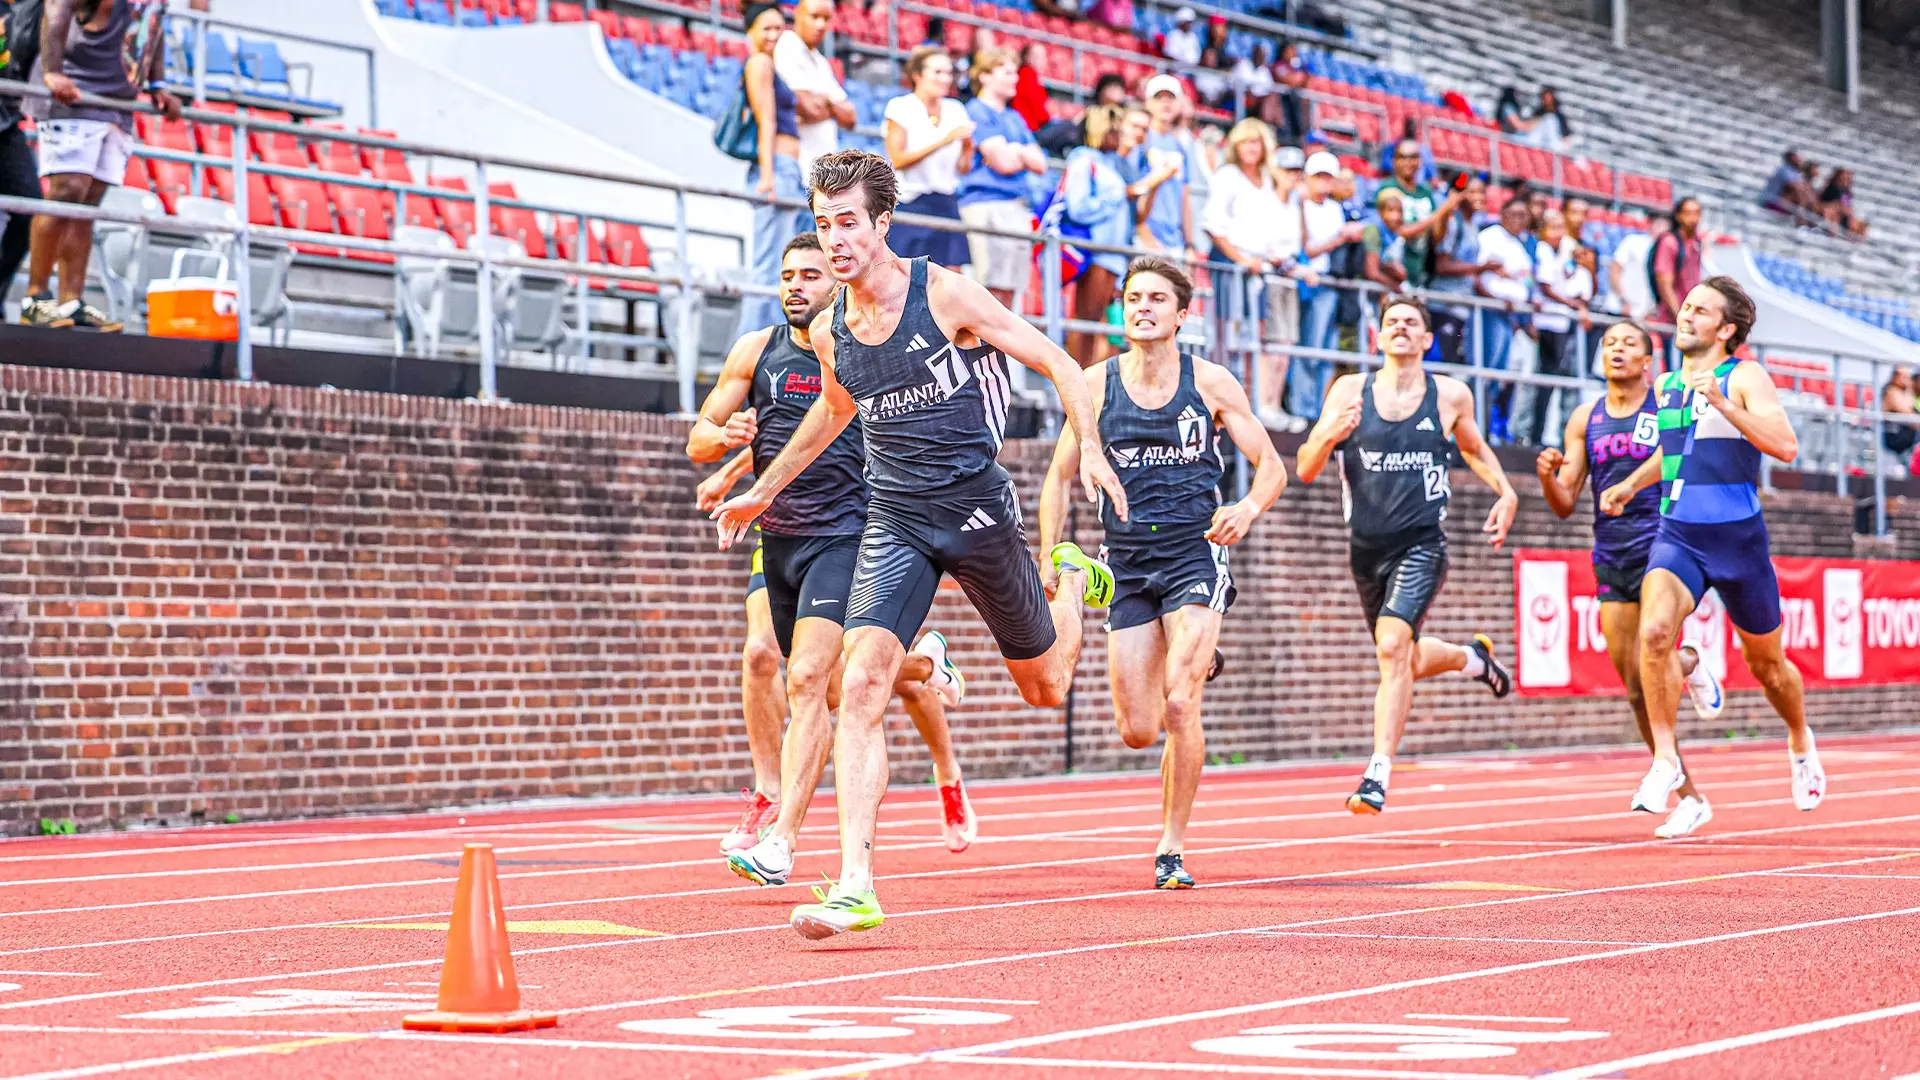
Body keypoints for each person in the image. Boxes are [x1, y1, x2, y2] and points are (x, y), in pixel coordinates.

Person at [712, 150, 1129, 939]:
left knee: (1047, 687)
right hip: (895, 520)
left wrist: (1094, 450)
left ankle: (1070, 579)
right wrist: (763, 489)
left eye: (847, 224)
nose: (833, 241)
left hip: (976, 514)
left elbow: (1062, 363)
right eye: (822, 225)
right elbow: (833, 413)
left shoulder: (944, 294)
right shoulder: (833, 325)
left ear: (881, 224)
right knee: (860, 684)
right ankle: (856, 884)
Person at [693, 235, 977, 886]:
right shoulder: (755, 351)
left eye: (810, 275)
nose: (795, 285)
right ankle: (924, 660)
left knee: (810, 680)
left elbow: (845, 424)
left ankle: (783, 838)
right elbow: (700, 437)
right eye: (787, 274)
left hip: (852, 529)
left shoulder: (858, 350)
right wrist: (727, 444)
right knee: (770, 659)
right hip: (779, 532)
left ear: (838, 284)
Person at [1038, 257, 1287, 888]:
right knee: (1137, 729)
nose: (1141, 307)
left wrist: (1247, 508)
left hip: (1194, 552)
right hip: (1126, 564)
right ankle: (1197, 652)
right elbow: (1057, 477)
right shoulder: (1094, 385)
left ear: (1181, 315)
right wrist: (1049, 550)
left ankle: (1170, 848)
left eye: (1155, 298)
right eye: (1132, 298)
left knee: (1180, 704)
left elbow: (1271, 467)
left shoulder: (1210, 384)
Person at [1598, 277, 1826, 818]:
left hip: (1737, 538)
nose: (1686, 314)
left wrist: (1724, 402)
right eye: (1686, 305)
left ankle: (1799, 743)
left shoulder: (1744, 376)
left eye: (1700, 310)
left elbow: (1785, 446)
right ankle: (1665, 761)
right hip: (1678, 533)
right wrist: (1633, 483)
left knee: (1768, 667)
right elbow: (1677, 451)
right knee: (1653, 633)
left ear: (1725, 330)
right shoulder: (1668, 385)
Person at [1296, 296, 1518, 814]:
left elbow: (1474, 448)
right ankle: (1470, 658)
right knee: (1402, 654)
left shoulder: (1450, 396)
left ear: (1425, 340)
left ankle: (1376, 773)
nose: (1400, 327)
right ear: (1378, 337)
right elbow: (1306, 467)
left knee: (1393, 647)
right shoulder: (1349, 391)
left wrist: (1505, 491)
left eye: (1411, 322)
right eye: (1391, 321)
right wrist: (1329, 434)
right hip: (1365, 548)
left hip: (1422, 544)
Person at [1536, 320, 1726, 838]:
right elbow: (1564, 503)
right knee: (1638, 688)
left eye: (1628, 344)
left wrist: (1630, 484)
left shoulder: (1663, 403)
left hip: (1666, 544)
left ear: (1648, 361)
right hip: (1611, 553)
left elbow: (1682, 457)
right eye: (1609, 344)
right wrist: (1546, 475)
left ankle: (1677, 779)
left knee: (1653, 651)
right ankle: (1691, 792)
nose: (1616, 350)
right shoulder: (1585, 417)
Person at [20, 0, 178, 331]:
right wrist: (52, 71)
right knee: (67, 192)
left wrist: (158, 84)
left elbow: (152, 28)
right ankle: (35, 298)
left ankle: (71, 301)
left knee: (89, 203)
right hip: (74, 95)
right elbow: (56, 8)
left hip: (117, 104)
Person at [1204, 120, 1303, 431]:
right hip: (1233, 263)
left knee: (1256, 338)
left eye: (1256, 142)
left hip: (1259, 267)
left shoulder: (1266, 180)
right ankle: (1219, 398)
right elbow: (1214, 224)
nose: (1251, 148)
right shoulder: (1228, 176)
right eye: (1245, 142)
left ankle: (1252, 402)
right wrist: (1242, 259)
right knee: (1227, 333)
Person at [739, 2, 808, 331]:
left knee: (783, 264)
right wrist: (767, 176)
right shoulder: (761, 62)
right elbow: (766, 122)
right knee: (769, 267)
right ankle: (750, 349)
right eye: (766, 28)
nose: (773, 35)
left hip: (786, 169)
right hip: (776, 170)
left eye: (779, 28)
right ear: (750, 30)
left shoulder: (770, 64)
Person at [959, 48, 1045, 310]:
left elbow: (1040, 163)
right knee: (989, 289)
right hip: (986, 205)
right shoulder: (976, 110)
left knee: (1011, 292)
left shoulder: (1015, 117)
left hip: (1015, 206)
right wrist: (1020, 153)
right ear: (984, 76)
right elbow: (1004, 163)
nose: (1014, 79)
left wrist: (1012, 150)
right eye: (1007, 72)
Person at [1063, 103, 1140, 367]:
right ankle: (1076, 378)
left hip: (1112, 254)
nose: (1117, 137)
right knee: (1085, 321)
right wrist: (1115, 198)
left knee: (1097, 323)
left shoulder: (1111, 163)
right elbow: (1078, 206)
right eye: (1112, 131)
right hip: (1096, 252)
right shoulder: (1083, 159)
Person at [884, 45, 974, 268]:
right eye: (937, 72)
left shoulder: (956, 109)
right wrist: (945, 139)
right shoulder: (900, 107)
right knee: (907, 277)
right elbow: (899, 159)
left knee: (951, 278)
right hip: (912, 201)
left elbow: (963, 168)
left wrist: (968, 148)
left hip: (946, 201)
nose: (945, 79)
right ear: (918, 75)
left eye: (948, 73)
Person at [1293, 149, 1365, 419]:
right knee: (1309, 348)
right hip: (1312, 282)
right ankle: (1302, 406)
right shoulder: (1301, 205)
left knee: (1325, 349)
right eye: (1318, 177)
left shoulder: (1335, 208)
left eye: (1328, 177)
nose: (1324, 182)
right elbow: (1306, 249)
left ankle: (1316, 408)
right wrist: (1340, 238)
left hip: (1331, 283)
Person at [1513, 208, 1587, 447]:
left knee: (1551, 382)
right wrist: (1570, 304)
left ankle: (1540, 433)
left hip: (1559, 324)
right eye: (1552, 227)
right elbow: (1545, 287)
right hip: (1544, 323)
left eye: (1560, 227)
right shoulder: (1542, 250)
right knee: (1538, 382)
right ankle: (1529, 433)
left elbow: (1574, 281)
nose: (1557, 233)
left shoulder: (1565, 251)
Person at [1475, 197, 1537, 441]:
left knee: (1500, 377)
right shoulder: (1490, 237)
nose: (1518, 220)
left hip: (1510, 317)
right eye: (1514, 214)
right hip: (1491, 311)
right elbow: (1476, 275)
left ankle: (1489, 430)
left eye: (1523, 215)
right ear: (1502, 214)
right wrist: (1496, 298)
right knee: (1486, 372)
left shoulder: (1519, 243)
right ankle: (1478, 428)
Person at [775, 0, 856, 181]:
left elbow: (850, 118)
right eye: (814, 16)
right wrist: (832, 104)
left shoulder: (820, 61)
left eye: (826, 18)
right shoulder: (788, 45)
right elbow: (807, 107)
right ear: (798, 15)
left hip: (819, 177)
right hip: (796, 170)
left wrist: (822, 101)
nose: (821, 24)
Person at [1429, 172, 1501, 366]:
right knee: (1439, 361)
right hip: (1444, 302)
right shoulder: (1454, 223)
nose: (1478, 197)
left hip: (1461, 303)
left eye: (1481, 192)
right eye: (1472, 192)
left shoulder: (1472, 225)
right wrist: (1481, 268)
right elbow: (1441, 265)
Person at [1138, 75, 1201, 263]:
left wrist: (1189, 244)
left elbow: (1184, 197)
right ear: (1148, 103)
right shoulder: (1141, 138)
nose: (1165, 103)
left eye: (1170, 97)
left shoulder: (1182, 146)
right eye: (1159, 97)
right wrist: (1142, 232)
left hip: (1175, 242)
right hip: (1146, 239)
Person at [1651, 196, 1702, 332]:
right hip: (1671, 322)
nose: (1693, 219)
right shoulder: (1670, 242)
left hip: (1689, 319)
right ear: (1678, 216)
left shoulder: (1696, 243)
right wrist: (1680, 316)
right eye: (1688, 213)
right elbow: (1664, 284)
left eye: (1697, 213)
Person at [1607, 216, 1665, 321]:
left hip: (1641, 316)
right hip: (1618, 309)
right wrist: (1623, 300)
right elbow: (1615, 270)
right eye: (1659, 225)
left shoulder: (1664, 252)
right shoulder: (1633, 241)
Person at [1360, 188, 1408, 290]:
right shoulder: (1373, 230)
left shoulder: (1395, 234)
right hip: (1363, 291)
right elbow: (1372, 272)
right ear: (1380, 212)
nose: (1395, 216)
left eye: (1399, 211)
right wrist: (1395, 287)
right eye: (1390, 210)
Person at [1760, 150, 1818, 217]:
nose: (1800, 160)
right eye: (1798, 158)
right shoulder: (1784, 170)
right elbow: (1795, 187)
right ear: (1792, 158)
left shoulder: (1796, 173)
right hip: (1773, 201)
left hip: (1783, 204)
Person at [1011, 41, 1051, 133]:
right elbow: (1039, 112)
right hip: (1030, 129)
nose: (1041, 60)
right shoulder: (1027, 75)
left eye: (1043, 56)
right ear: (1026, 58)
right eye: (1037, 56)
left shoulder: (1030, 76)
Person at [1817, 168, 1867, 237]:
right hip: (1832, 212)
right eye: (1846, 175)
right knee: (1834, 215)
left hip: (1843, 213)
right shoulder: (1832, 188)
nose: (1847, 178)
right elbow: (1828, 203)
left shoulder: (1847, 191)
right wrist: (1842, 208)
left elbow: (1848, 206)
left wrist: (1847, 210)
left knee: (1862, 224)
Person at [1884, 365, 1917, 460]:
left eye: (1907, 377)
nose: (1906, 380)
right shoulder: (1891, 392)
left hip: (1906, 440)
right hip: (1895, 440)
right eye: (1903, 376)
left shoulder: (1904, 393)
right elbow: (1909, 415)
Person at [1525, 86, 1570, 151]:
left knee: (1550, 119)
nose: (1546, 100)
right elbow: (1531, 126)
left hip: (1553, 144)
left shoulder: (1559, 115)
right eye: (1544, 97)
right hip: (1538, 141)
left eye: (1548, 97)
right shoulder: (1539, 112)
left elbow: (1565, 134)